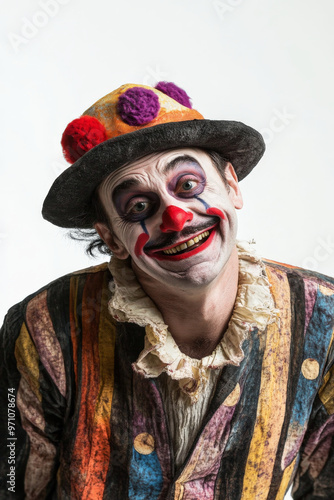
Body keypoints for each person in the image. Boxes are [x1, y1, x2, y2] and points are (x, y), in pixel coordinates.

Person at [1, 81, 334, 500]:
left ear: (231, 185)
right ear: (112, 238)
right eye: (138, 207)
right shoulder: (43, 327)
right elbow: (13, 485)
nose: (176, 218)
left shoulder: (323, 318)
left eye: (189, 185)